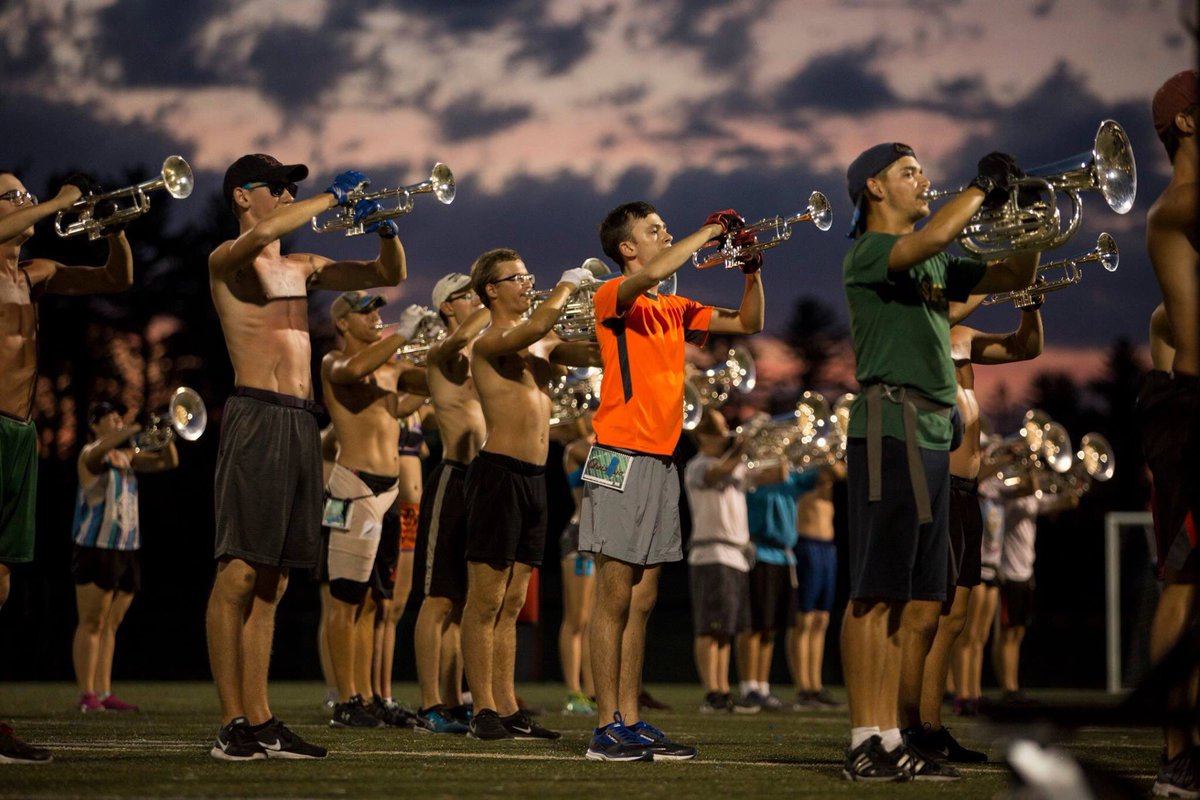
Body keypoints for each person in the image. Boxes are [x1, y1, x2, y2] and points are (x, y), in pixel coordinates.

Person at [838, 142, 1038, 781]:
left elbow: (1010, 278)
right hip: (888, 425)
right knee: (874, 591)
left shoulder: (933, 263)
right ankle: (864, 737)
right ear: (874, 187)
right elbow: (925, 243)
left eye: (923, 170)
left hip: (930, 431)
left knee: (912, 596)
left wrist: (1029, 222)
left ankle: (894, 736)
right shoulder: (870, 252)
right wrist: (982, 189)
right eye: (908, 171)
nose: (923, 179)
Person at [206, 154, 405, 761]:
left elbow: (386, 274)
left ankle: (262, 720)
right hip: (257, 413)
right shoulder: (227, 258)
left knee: (275, 579)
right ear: (243, 196)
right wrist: (329, 200)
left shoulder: (303, 265)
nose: (290, 193)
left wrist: (384, 224)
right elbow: (262, 235)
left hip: (300, 421)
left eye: (295, 186)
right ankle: (232, 723)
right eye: (280, 186)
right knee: (239, 571)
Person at [580, 201, 764, 762]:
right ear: (627, 249)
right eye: (654, 230)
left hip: (662, 459)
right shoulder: (612, 294)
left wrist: (752, 270)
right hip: (619, 453)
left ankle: (630, 720)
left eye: (667, 227)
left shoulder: (674, 306)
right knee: (613, 593)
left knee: (643, 598)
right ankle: (604, 725)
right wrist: (708, 230)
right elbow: (656, 273)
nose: (666, 234)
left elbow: (749, 323)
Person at [1, 170, 133, 764]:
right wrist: (55, 201)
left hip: (22, 435)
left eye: (31, 196)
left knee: (2, 580)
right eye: (16, 197)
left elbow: (116, 277)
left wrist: (113, 227)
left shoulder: (36, 274)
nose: (29, 205)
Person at [460, 248, 597, 742]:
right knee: (486, 599)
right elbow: (531, 331)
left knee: (514, 601)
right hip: (497, 475)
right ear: (491, 289)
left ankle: (507, 705)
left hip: (535, 480)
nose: (526, 283)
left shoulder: (544, 337)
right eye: (515, 278)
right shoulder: (489, 339)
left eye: (529, 275)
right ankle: (482, 710)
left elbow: (591, 353)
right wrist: (563, 287)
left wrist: (618, 312)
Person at [904, 302, 1044, 765]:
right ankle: (907, 727)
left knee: (956, 616)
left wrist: (1030, 305)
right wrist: (992, 281)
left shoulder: (961, 335)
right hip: (937, 483)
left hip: (968, 491)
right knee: (928, 614)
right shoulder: (918, 329)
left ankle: (932, 725)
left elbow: (1028, 346)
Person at [319, 294, 426, 729]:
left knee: (371, 604)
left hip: (390, 493)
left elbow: (432, 384)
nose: (375, 316)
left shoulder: (392, 368)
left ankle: (364, 694)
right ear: (343, 323)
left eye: (376, 309)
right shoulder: (334, 363)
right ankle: (344, 698)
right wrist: (402, 335)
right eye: (365, 311)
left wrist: (458, 344)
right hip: (354, 486)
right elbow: (353, 370)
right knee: (344, 601)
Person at [1139, 69, 1200, 799]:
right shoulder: (1181, 202)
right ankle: (1176, 751)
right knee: (1183, 581)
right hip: (1191, 411)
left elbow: (1166, 321)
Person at [411, 273, 490, 735]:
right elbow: (463, 337)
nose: (477, 300)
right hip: (452, 479)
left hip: (482, 481)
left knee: (464, 603)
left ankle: (453, 698)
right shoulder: (442, 351)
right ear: (447, 307)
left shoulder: (480, 351)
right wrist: (496, 301)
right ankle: (428, 705)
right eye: (468, 295)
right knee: (438, 599)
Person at [71, 402, 178, 713]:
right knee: (91, 622)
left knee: (111, 624)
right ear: (94, 425)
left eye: (120, 417)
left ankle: (104, 692)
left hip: (126, 548)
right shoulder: (90, 454)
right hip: (96, 547)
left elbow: (168, 462)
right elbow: (97, 452)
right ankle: (86, 693)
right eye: (111, 418)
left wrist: (166, 433)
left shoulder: (126, 458)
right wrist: (133, 427)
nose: (118, 421)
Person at [685, 408, 777, 715]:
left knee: (725, 629)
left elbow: (777, 474)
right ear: (702, 436)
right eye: (719, 431)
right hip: (711, 555)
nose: (726, 435)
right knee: (709, 628)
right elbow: (717, 474)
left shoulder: (734, 466)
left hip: (736, 556)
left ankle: (723, 690)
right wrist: (741, 446)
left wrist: (778, 446)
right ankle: (712, 692)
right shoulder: (698, 466)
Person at [369, 401, 430, 723]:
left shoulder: (415, 409)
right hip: (393, 506)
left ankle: (386, 694)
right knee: (382, 606)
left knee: (397, 607)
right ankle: (371, 693)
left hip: (413, 513)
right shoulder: (395, 400)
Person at [992, 486, 1077, 706]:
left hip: (1026, 574)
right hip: (1008, 573)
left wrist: (1076, 486)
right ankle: (1008, 688)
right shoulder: (1009, 498)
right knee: (1007, 633)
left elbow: (1064, 502)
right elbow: (1020, 491)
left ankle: (1014, 685)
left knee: (1018, 633)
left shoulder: (1032, 499)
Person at [784, 462, 845, 710]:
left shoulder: (829, 461)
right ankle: (803, 687)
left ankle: (815, 686)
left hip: (827, 548)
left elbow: (841, 473)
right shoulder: (804, 463)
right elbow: (819, 476)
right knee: (804, 620)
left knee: (821, 620)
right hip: (806, 544)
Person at [951, 459, 1004, 717]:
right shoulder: (977, 479)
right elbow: (975, 476)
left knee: (980, 638)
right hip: (978, 562)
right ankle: (963, 694)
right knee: (967, 635)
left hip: (994, 565)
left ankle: (975, 691)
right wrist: (1000, 459)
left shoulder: (999, 485)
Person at [557, 413, 597, 716]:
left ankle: (592, 689)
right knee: (577, 618)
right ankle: (574, 691)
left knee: (593, 620)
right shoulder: (576, 448)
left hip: (599, 540)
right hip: (580, 537)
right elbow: (613, 469)